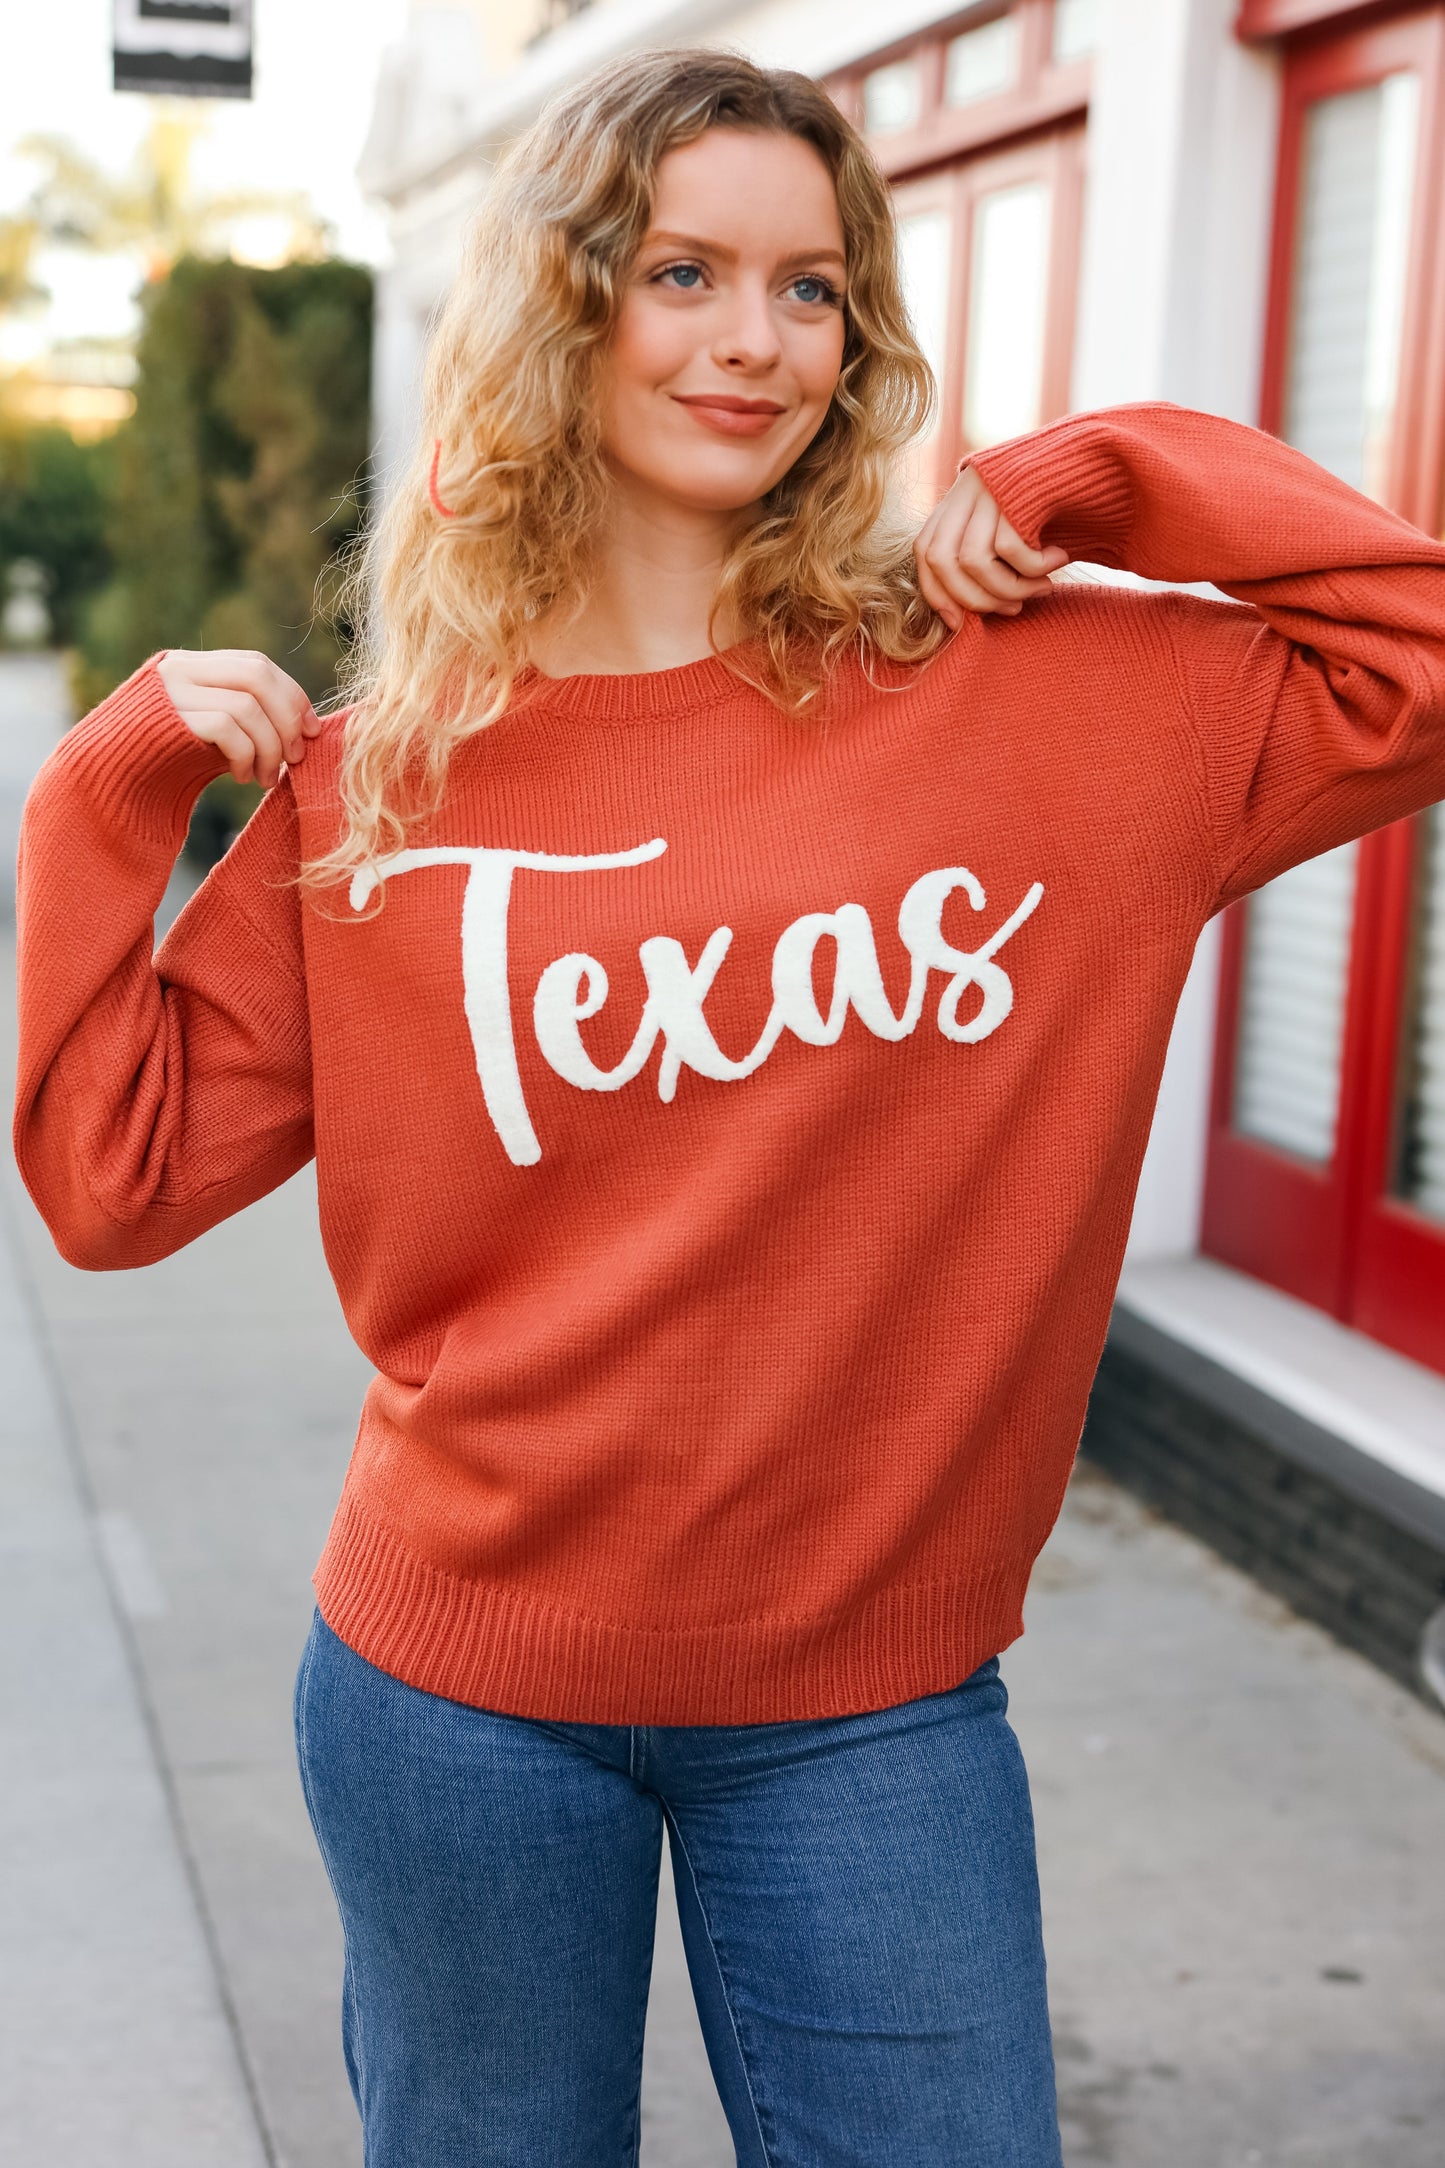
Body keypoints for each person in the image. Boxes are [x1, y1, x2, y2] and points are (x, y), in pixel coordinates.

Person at [14, 44, 1445, 2168]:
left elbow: (1408, 652)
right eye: (683, 270)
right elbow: (108, 1179)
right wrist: (107, 786)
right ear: (569, 300)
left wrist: (1105, 477)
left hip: (871, 1710)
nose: (755, 341)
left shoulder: (1040, 707)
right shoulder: (389, 776)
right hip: (453, 1698)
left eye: (812, 288)